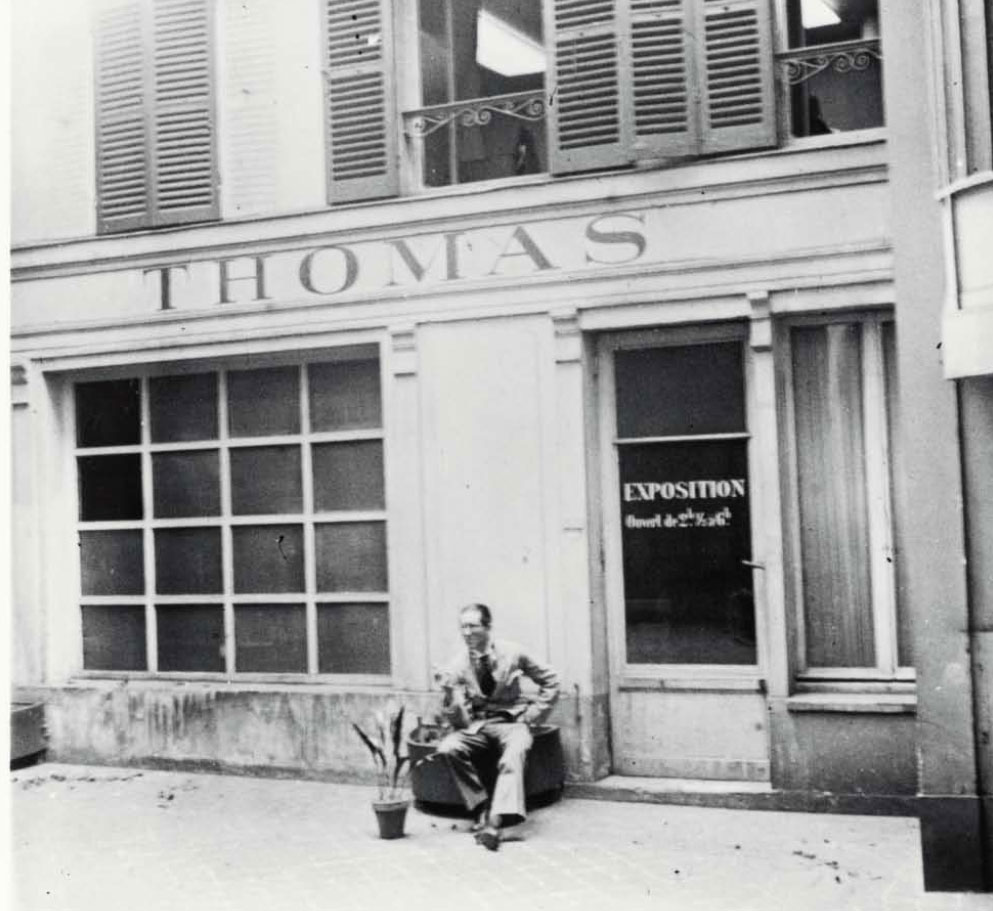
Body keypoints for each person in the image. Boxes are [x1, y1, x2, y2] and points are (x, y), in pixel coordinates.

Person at [432, 603, 559, 851]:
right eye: (463, 627)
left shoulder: (513, 653)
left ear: (488, 627)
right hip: (478, 726)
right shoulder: (457, 665)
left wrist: (532, 716)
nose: (467, 633)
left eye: (473, 626)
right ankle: (480, 806)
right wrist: (448, 694)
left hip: (512, 722)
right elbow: (457, 720)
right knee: (448, 747)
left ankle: (495, 821)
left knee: (514, 752)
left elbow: (551, 680)